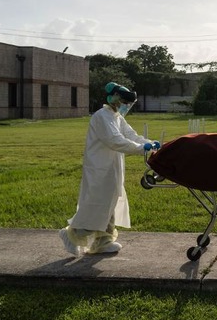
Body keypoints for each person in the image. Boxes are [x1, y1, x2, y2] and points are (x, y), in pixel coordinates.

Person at [59, 82, 158, 255]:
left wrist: (148, 143)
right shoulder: (102, 116)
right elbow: (115, 140)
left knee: (110, 204)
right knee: (97, 206)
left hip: (111, 169)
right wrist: (141, 148)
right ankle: (71, 233)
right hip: (99, 168)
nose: (127, 107)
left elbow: (130, 135)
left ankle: (102, 242)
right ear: (116, 99)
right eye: (125, 103)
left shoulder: (117, 117)